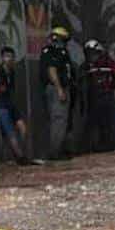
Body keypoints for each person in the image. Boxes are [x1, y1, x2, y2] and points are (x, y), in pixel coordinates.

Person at [0, 46, 34, 166]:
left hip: (10, 104)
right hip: (1, 105)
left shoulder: (12, 72)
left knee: (23, 128)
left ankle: (22, 153)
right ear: (2, 58)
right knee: (10, 132)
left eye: (11, 57)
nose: (9, 59)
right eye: (7, 56)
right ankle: (20, 157)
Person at [39, 26, 73, 160]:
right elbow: (52, 70)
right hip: (57, 88)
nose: (65, 44)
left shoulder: (59, 52)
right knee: (58, 120)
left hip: (61, 88)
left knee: (61, 121)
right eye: (64, 40)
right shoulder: (52, 52)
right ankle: (55, 152)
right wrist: (59, 89)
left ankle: (59, 150)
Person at [84, 40, 115, 153]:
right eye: (89, 53)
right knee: (98, 121)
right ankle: (100, 145)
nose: (92, 56)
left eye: (93, 53)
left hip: (109, 94)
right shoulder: (87, 66)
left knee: (114, 120)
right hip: (95, 96)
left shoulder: (108, 62)